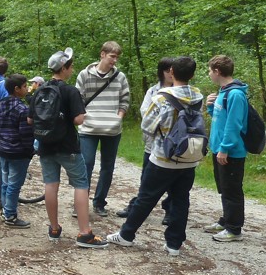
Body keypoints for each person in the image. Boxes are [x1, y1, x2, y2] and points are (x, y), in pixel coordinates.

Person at [106, 56, 204, 257]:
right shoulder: (198, 97)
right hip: (188, 157)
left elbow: (147, 126)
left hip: (162, 158)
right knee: (181, 200)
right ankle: (174, 244)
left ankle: (126, 235)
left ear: (172, 73)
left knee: (145, 198)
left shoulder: (161, 97)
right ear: (192, 75)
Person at [33, 48, 106, 248]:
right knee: (81, 184)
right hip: (68, 147)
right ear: (64, 68)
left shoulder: (40, 89)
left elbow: (31, 119)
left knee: (50, 185)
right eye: (71, 66)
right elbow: (78, 119)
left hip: (46, 145)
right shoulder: (70, 91)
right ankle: (85, 233)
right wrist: (83, 115)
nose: (72, 69)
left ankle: (54, 228)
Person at [75, 41, 131, 217]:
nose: (114, 60)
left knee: (108, 167)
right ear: (102, 54)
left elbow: (125, 99)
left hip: (112, 129)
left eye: (117, 57)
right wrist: (82, 116)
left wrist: (119, 117)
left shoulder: (120, 77)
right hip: (88, 128)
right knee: (86, 164)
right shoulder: (84, 74)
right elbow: (78, 98)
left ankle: (99, 203)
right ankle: (80, 204)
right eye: (112, 56)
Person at [117, 58, 174, 219]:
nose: (171, 74)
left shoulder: (181, 91)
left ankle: (170, 210)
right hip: (153, 143)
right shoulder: (153, 91)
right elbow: (145, 112)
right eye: (168, 71)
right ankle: (137, 207)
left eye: (173, 71)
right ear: (162, 72)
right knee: (146, 178)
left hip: (173, 144)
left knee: (172, 181)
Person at [205, 55, 248, 242]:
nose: (209, 74)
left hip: (231, 152)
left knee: (232, 190)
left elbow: (234, 124)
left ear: (217, 71)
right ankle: (226, 220)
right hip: (219, 149)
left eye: (210, 70)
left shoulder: (236, 94)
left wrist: (225, 148)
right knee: (224, 188)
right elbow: (220, 118)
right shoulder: (223, 91)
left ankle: (234, 229)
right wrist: (210, 107)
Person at [0, 73, 34, 228]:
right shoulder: (23, 109)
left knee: (6, 182)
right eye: (24, 86)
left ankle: (6, 210)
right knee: (14, 185)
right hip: (18, 152)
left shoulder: (1, 105)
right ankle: (10, 215)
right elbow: (25, 134)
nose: (26, 89)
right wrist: (29, 150)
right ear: (17, 89)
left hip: (3, 149)